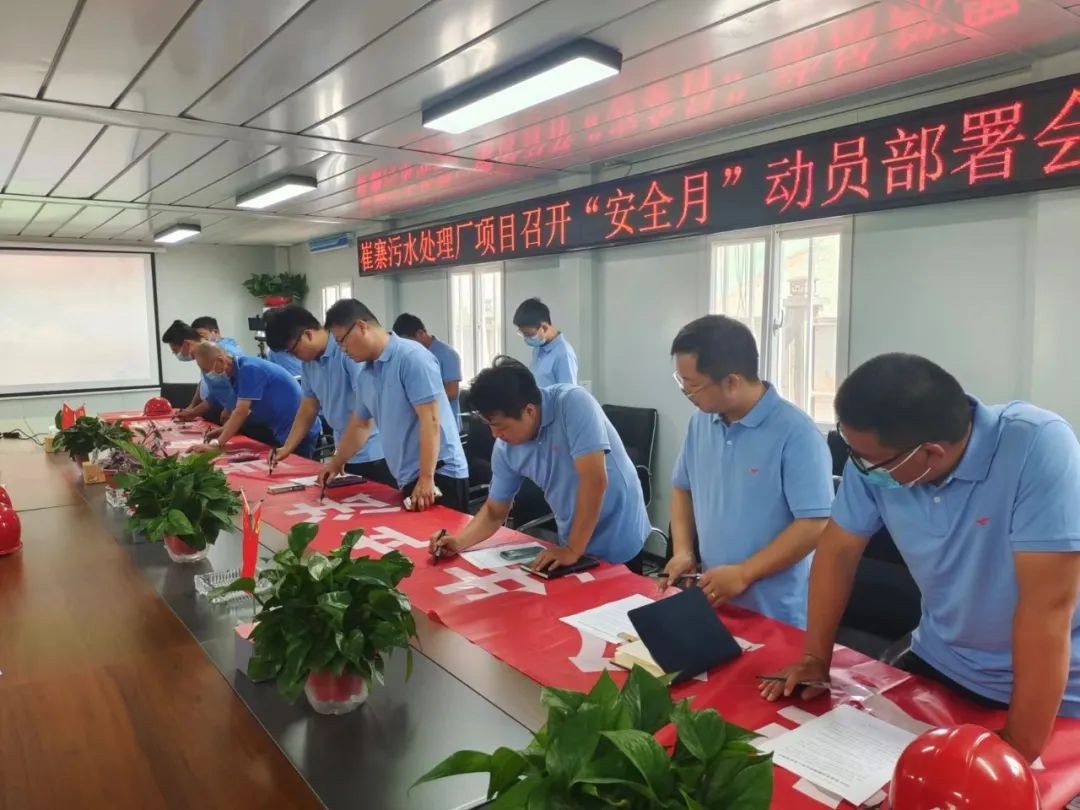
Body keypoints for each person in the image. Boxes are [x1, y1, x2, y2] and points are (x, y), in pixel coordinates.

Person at [760, 353, 1080, 764]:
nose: (860, 467)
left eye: (870, 461)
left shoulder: (1036, 446)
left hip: (1049, 695)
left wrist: (1016, 748)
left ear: (931, 453)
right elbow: (837, 552)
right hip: (941, 662)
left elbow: (1048, 607)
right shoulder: (878, 458)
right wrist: (814, 658)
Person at [661, 316, 833, 628]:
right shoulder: (701, 422)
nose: (687, 393)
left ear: (732, 381)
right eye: (682, 382)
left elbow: (815, 524)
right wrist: (683, 550)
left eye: (693, 386)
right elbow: (682, 487)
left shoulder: (797, 434)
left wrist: (745, 573)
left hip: (774, 613)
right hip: (714, 599)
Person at [429, 357, 649, 573]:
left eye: (500, 426)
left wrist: (572, 549)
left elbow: (594, 481)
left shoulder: (572, 404)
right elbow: (495, 512)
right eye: (489, 425)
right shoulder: (506, 449)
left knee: (622, 594)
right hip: (574, 537)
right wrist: (459, 542)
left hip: (619, 532)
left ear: (530, 411)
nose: (495, 434)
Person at [324, 299, 469, 512]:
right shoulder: (366, 374)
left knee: (442, 534)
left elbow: (430, 419)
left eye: (342, 341)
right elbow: (361, 424)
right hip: (408, 476)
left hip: (438, 475)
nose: (343, 350)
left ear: (362, 327)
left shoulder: (411, 357)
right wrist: (336, 463)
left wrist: (426, 478)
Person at [263, 305, 394, 487]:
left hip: (374, 453)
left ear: (308, 335)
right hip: (344, 453)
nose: (295, 358)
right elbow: (308, 407)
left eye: (294, 351)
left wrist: (338, 459)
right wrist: (288, 447)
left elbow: (365, 414)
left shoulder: (349, 350)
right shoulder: (309, 363)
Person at [188, 343, 319, 457]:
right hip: (281, 430)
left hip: (299, 429)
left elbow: (242, 411)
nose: (207, 374)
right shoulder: (235, 376)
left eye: (206, 369)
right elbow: (239, 410)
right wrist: (224, 429)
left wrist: (217, 444)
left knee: (297, 470)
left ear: (220, 361)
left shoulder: (249, 369)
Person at [392, 313, 463, 428]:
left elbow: (452, 392)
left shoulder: (447, 354)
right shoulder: (410, 356)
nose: (406, 346)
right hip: (420, 423)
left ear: (421, 333)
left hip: (444, 424)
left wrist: (419, 400)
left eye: (409, 342)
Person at [161, 320, 235, 424]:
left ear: (186, 344)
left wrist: (228, 409)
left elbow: (237, 388)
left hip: (233, 413)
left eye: (175, 351)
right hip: (217, 410)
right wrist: (191, 409)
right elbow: (210, 389)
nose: (175, 354)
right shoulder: (202, 355)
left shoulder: (221, 352)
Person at [512, 297, 578, 387]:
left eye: (528, 334)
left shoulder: (564, 354)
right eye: (523, 334)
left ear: (544, 328)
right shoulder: (538, 348)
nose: (526, 338)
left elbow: (567, 393)